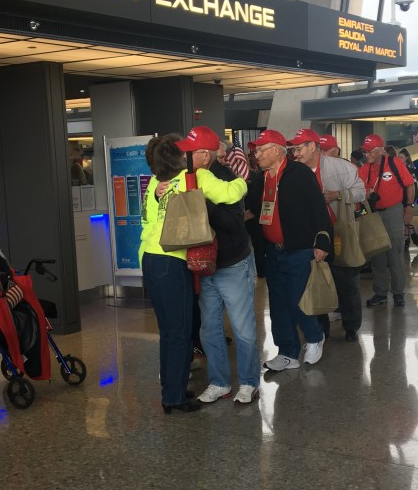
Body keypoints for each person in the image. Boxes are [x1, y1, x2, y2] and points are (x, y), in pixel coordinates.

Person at [139, 134, 247, 414]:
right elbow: (230, 194)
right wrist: (242, 180)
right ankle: (174, 398)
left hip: (150, 258)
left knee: (167, 331)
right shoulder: (196, 176)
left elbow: (148, 218)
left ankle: (171, 388)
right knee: (180, 332)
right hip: (173, 261)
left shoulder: (155, 182)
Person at [176, 127, 261, 405]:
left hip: (232, 264)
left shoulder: (226, 178)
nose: (184, 157)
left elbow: (234, 223)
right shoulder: (188, 178)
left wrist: (203, 205)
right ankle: (219, 382)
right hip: (205, 267)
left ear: (203, 155)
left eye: (189, 152)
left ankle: (249, 383)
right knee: (209, 329)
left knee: (243, 328)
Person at [246, 129, 332, 370]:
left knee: (298, 299)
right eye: (256, 151)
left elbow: (318, 208)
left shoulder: (299, 173)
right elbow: (253, 209)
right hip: (272, 251)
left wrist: (322, 241)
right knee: (278, 304)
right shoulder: (260, 179)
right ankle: (287, 352)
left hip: (299, 249)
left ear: (276, 150)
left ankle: (314, 336)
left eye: (261, 150)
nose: (257, 155)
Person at [288, 128, 366, 341]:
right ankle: (322, 330)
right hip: (311, 236)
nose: (296, 153)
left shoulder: (341, 167)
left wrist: (338, 195)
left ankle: (351, 327)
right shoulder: (294, 171)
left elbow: (361, 191)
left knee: (347, 282)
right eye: (293, 149)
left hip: (340, 231)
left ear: (312, 146)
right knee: (316, 283)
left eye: (299, 148)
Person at [358, 134, 415, 308]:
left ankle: (398, 293)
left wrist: (409, 207)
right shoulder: (364, 170)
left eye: (370, 151)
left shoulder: (394, 163)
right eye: (365, 151)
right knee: (377, 255)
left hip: (393, 212)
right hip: (374, 214)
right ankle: (380, 292)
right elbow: (358, 195)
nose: (366, 154)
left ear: (380, 150)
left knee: (395, 253)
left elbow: (410, 185)